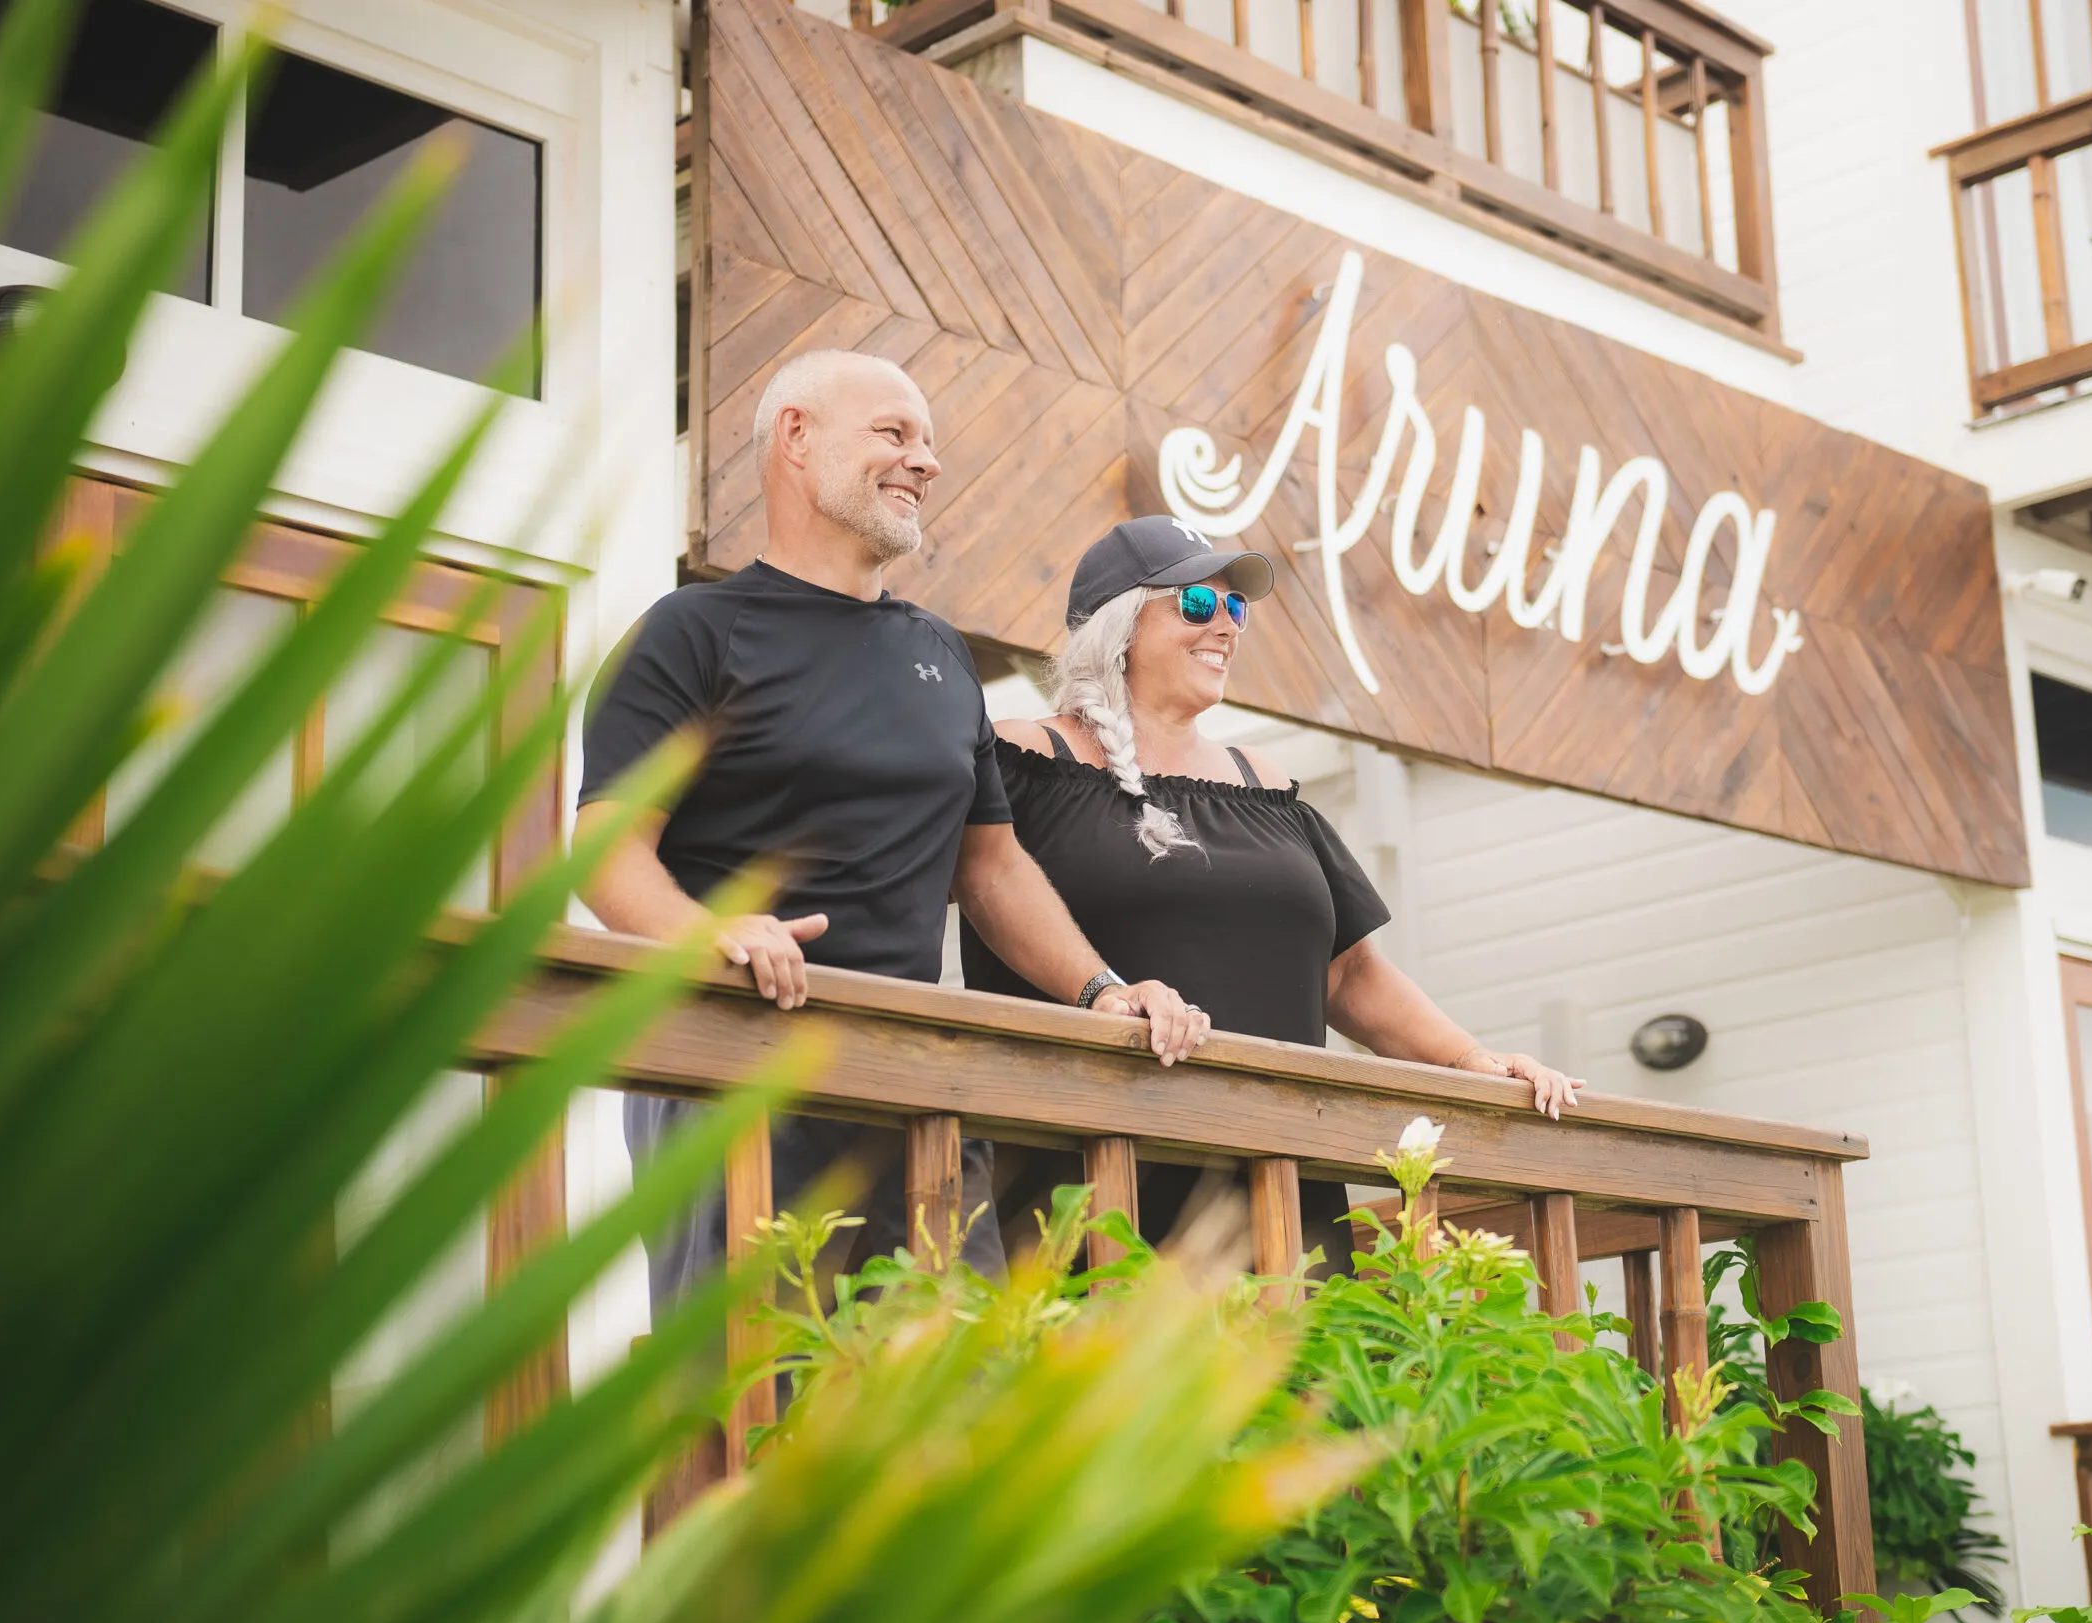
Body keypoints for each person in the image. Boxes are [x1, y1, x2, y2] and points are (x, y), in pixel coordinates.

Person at [576, 354, 1206, 1300]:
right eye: (894, 433)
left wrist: (1100, 988)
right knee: (758, 1408)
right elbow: (602, 850)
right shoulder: (694, 634)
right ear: (796, 436)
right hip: (733, 1078)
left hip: (916, 1092)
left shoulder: (939, 654)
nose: (926, 460)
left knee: (956, 1407)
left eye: (929, 442)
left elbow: (990, 867)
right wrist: (710, 936)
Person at [960, 516, 1580, 1274]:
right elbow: (979, 880)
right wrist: (1106, 991)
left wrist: (1474, 1059)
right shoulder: (1028, 755)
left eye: (1237, 608)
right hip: (1094, 1191)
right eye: (1196, 604)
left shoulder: (1266, 782)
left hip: (1280, 1192)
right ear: (1117, 628)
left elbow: (1350, 974)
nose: (1225, 624)